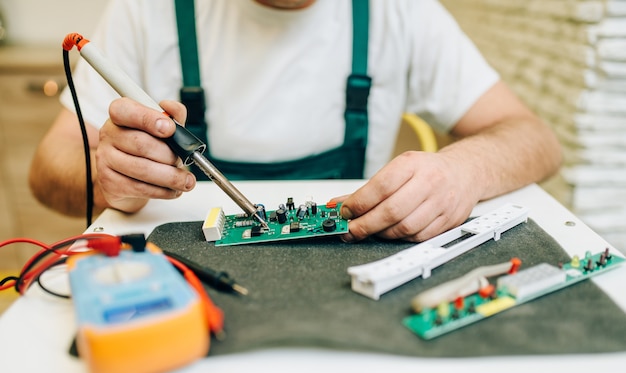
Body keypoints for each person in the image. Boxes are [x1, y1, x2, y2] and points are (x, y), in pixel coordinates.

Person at [29, 0, 562, 244]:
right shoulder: (146, 12)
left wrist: (465, 168)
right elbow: (47, 170)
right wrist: (105, 173)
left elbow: (535, 139)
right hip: (182, 281)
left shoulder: (402, 12)